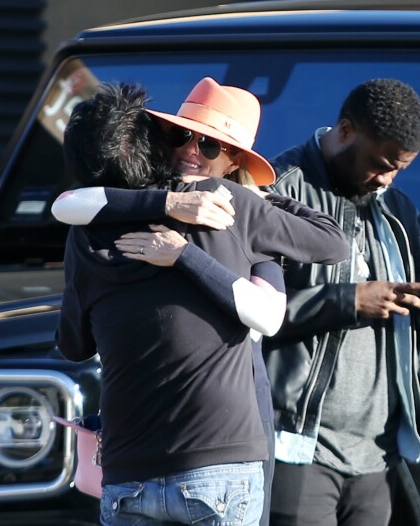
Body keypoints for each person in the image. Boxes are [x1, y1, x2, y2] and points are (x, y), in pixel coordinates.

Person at [54, 79, 349, 525]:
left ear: (234, 160)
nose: (193, 149)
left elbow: (67, 210)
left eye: (211, 145)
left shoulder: (96, 222)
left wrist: (189, 249)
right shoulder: (237, 209)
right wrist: (234, 200)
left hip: (133, 472)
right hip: (218, 464)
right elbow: (333, 242)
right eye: (181, 135)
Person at [263, 78, 420, 526]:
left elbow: (408, 334)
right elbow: (246, 310)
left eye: (400, 168)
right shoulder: (279, 193)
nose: (388, 178)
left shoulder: (398, 209)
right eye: (381, 164)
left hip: (376, 456)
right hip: (297, 447)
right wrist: (349, 300)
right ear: (346, 130)